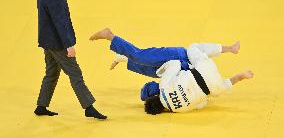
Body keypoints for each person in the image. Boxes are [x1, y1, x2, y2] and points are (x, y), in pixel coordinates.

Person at [89, 28, 253, 115]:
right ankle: (110, 36)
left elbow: (202, 103)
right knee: (145, 56)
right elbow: (173, 64)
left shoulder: (178, 110)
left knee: (152, 70)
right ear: (154, 95)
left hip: (213, 83)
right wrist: (182, 69)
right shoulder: (164, 88)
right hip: (187, 61)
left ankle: (240, 76)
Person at [35, 0, 107, 119]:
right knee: (75, 74)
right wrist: (68, 45)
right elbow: (60, 22)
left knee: (51, 73)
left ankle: (41, 105)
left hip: (48, 41)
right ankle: (89, 107)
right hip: (58, 43)